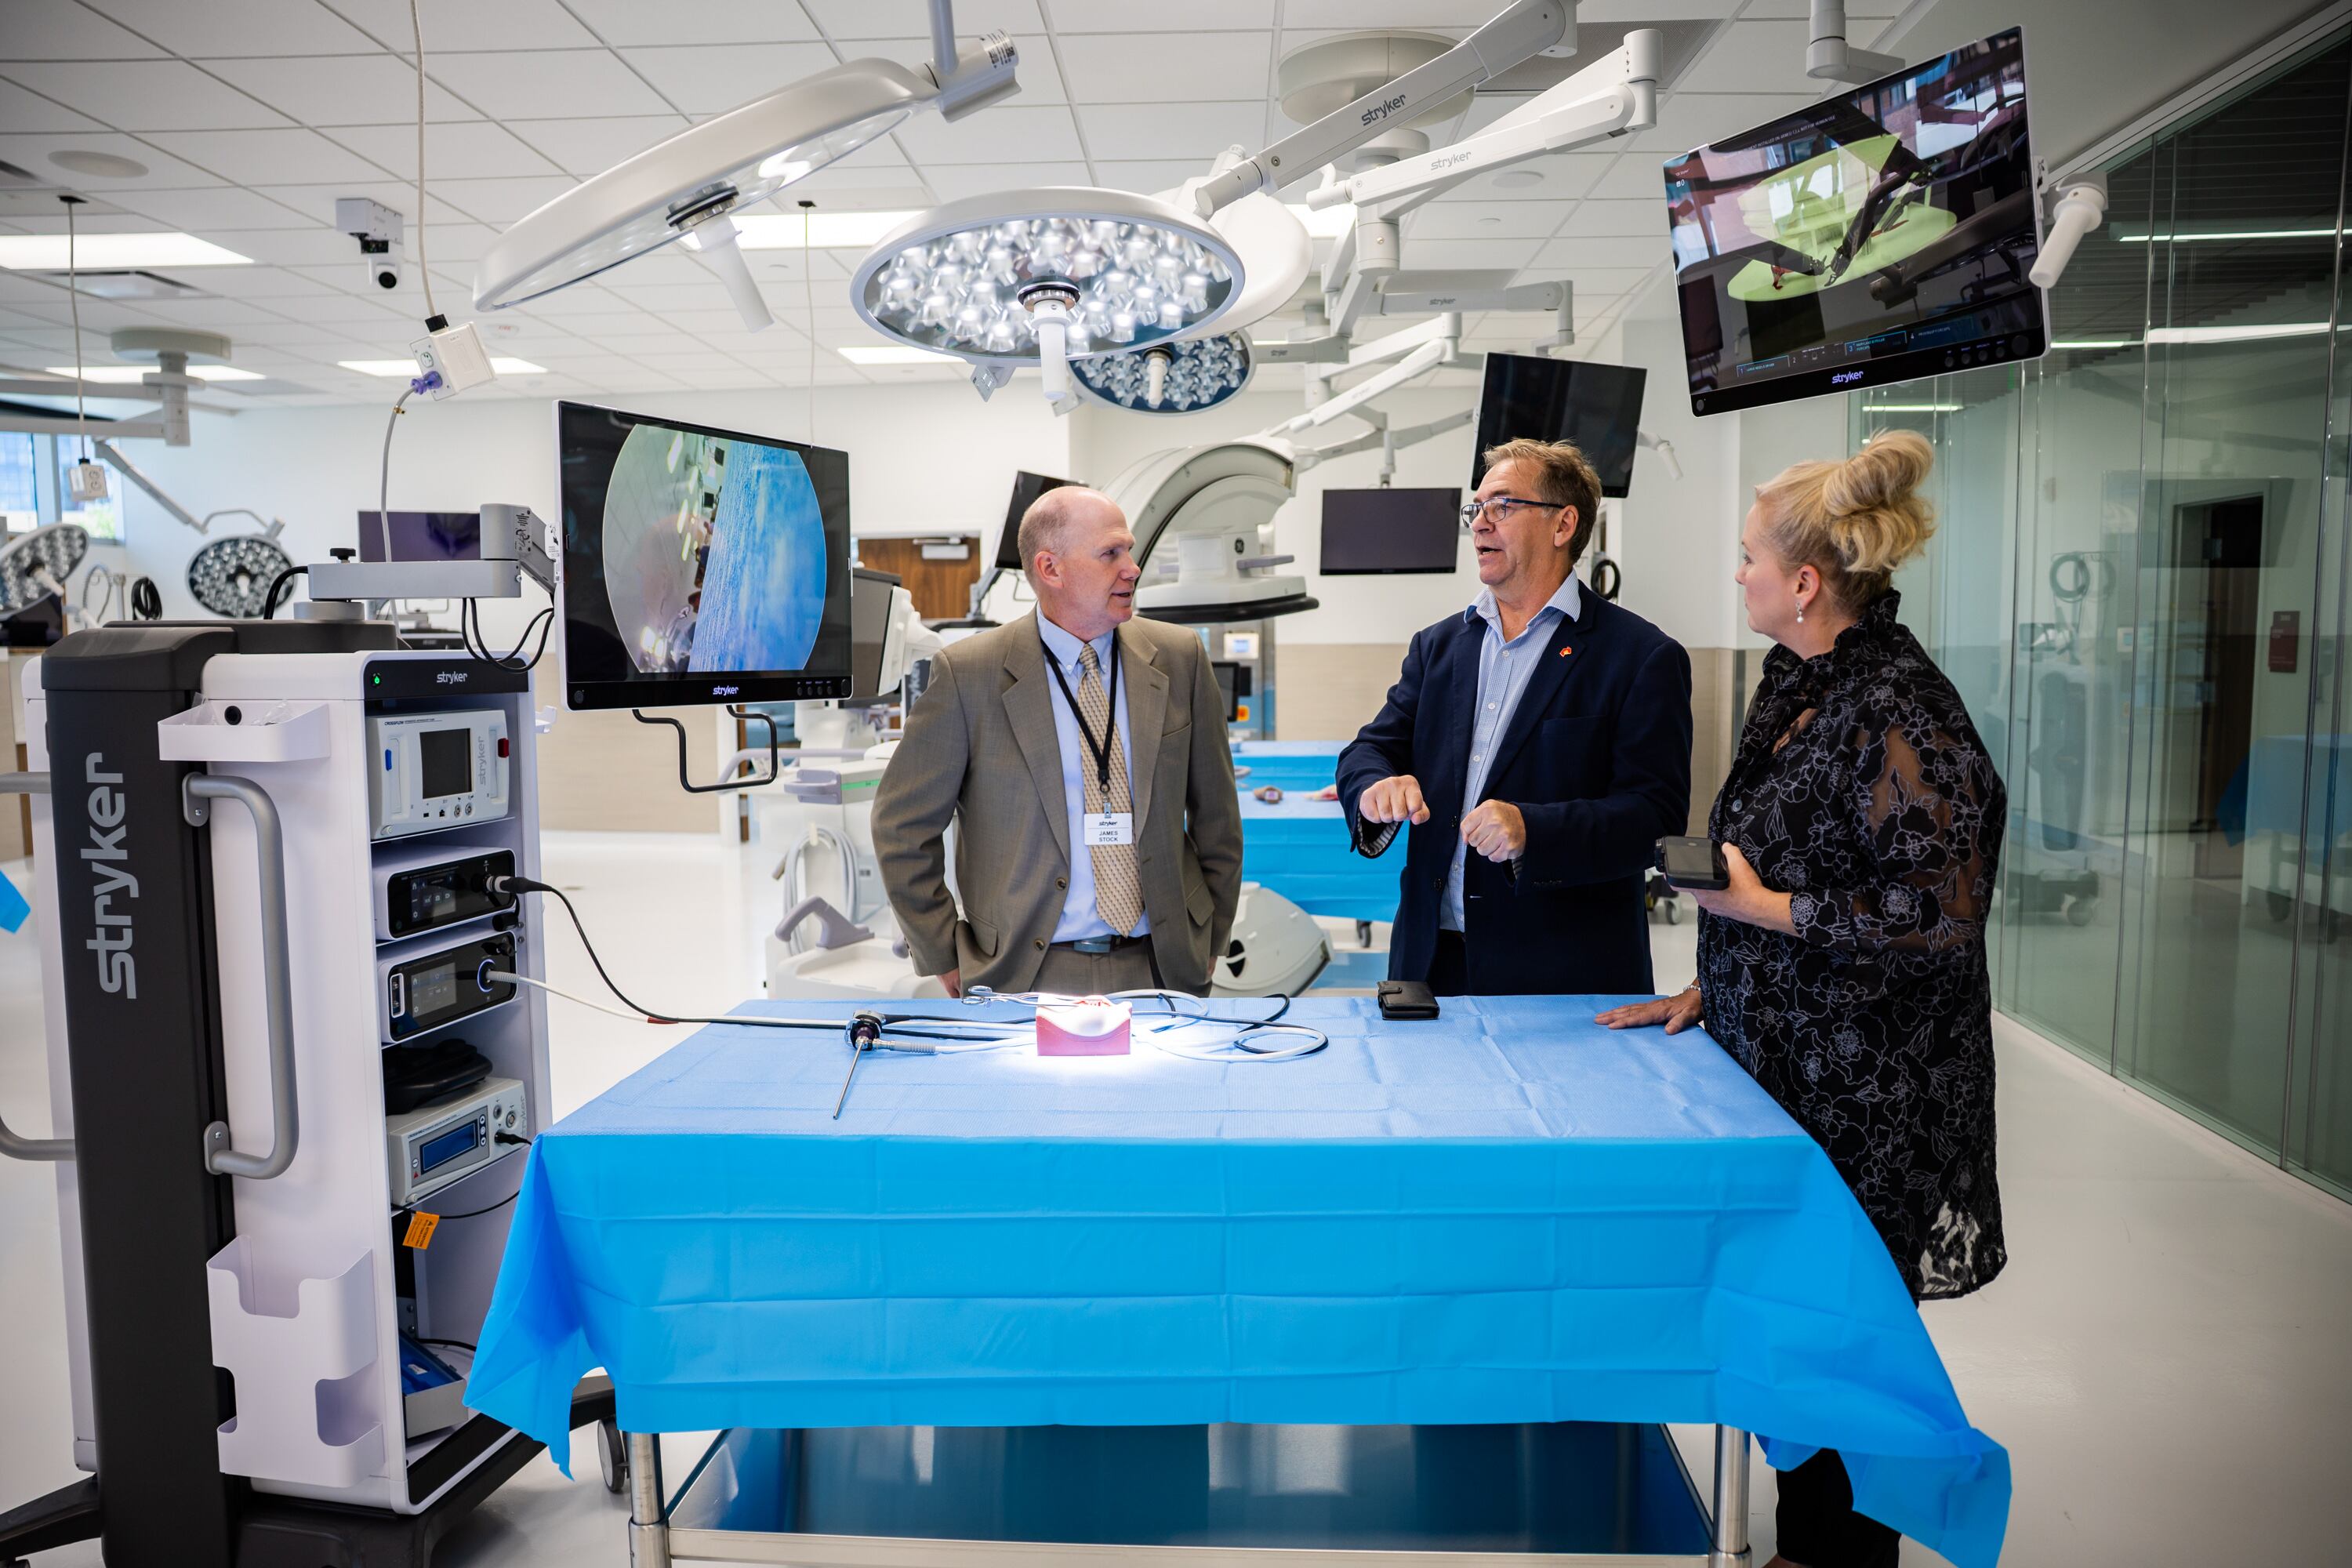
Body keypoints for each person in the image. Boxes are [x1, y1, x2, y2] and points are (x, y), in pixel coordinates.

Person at [1599, 430, 2006, 1568]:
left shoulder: (1904, 711)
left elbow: (1935, 916)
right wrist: (1710, 980)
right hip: (1782, 1064)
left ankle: (1833, 1556)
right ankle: (1802, 1547)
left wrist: (1756, 916)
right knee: (1793, 1336)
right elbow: (1783, 863)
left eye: (1745, 558)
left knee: (1840, 1347)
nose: (1736, 575)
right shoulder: (1802, 685)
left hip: (1871, 1087)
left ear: (1805, 582)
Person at [1335, 437, 1691, 996]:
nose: (1480, 524)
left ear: (1562, 524)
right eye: (1475, 509)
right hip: (1429, 963)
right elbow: (1368, 749)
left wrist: (1533, 829)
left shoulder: (1640, 656)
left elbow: (1654, 820)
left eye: (1502, 505)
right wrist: (1375, 783)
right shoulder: (1439, 647)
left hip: (1562, 975)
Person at [873, 485, 1243, 997]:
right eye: (1111, 553)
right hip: (1023, 973)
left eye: (1129, 551)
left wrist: (1212, 934)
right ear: (1051, 569)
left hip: (1163, 965)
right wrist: (942, 950)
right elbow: (901, 827)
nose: (1132, 568)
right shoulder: (969, 675)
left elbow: (1218, 816)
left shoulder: (1179, 658)